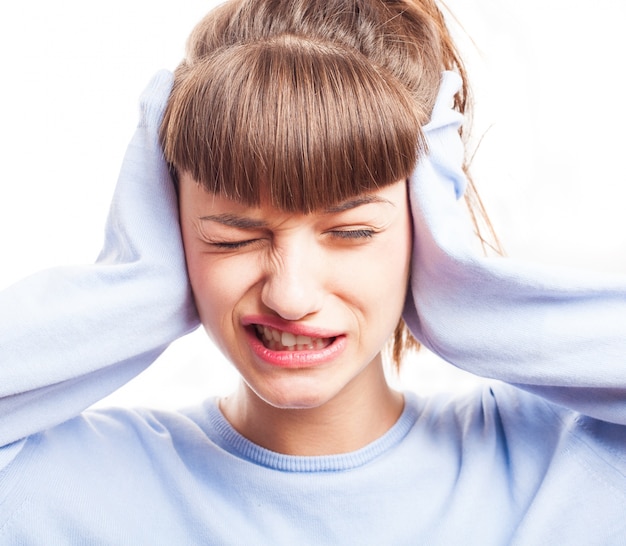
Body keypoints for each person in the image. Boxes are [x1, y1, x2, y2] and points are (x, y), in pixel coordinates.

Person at [1, 0, 625, 544]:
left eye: (353, 232)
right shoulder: (69, 481)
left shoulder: (564, 467)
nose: (291, 295)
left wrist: (474, 308)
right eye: (232, 236)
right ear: (170, 227)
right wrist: (137, 290)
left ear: (425, 225)